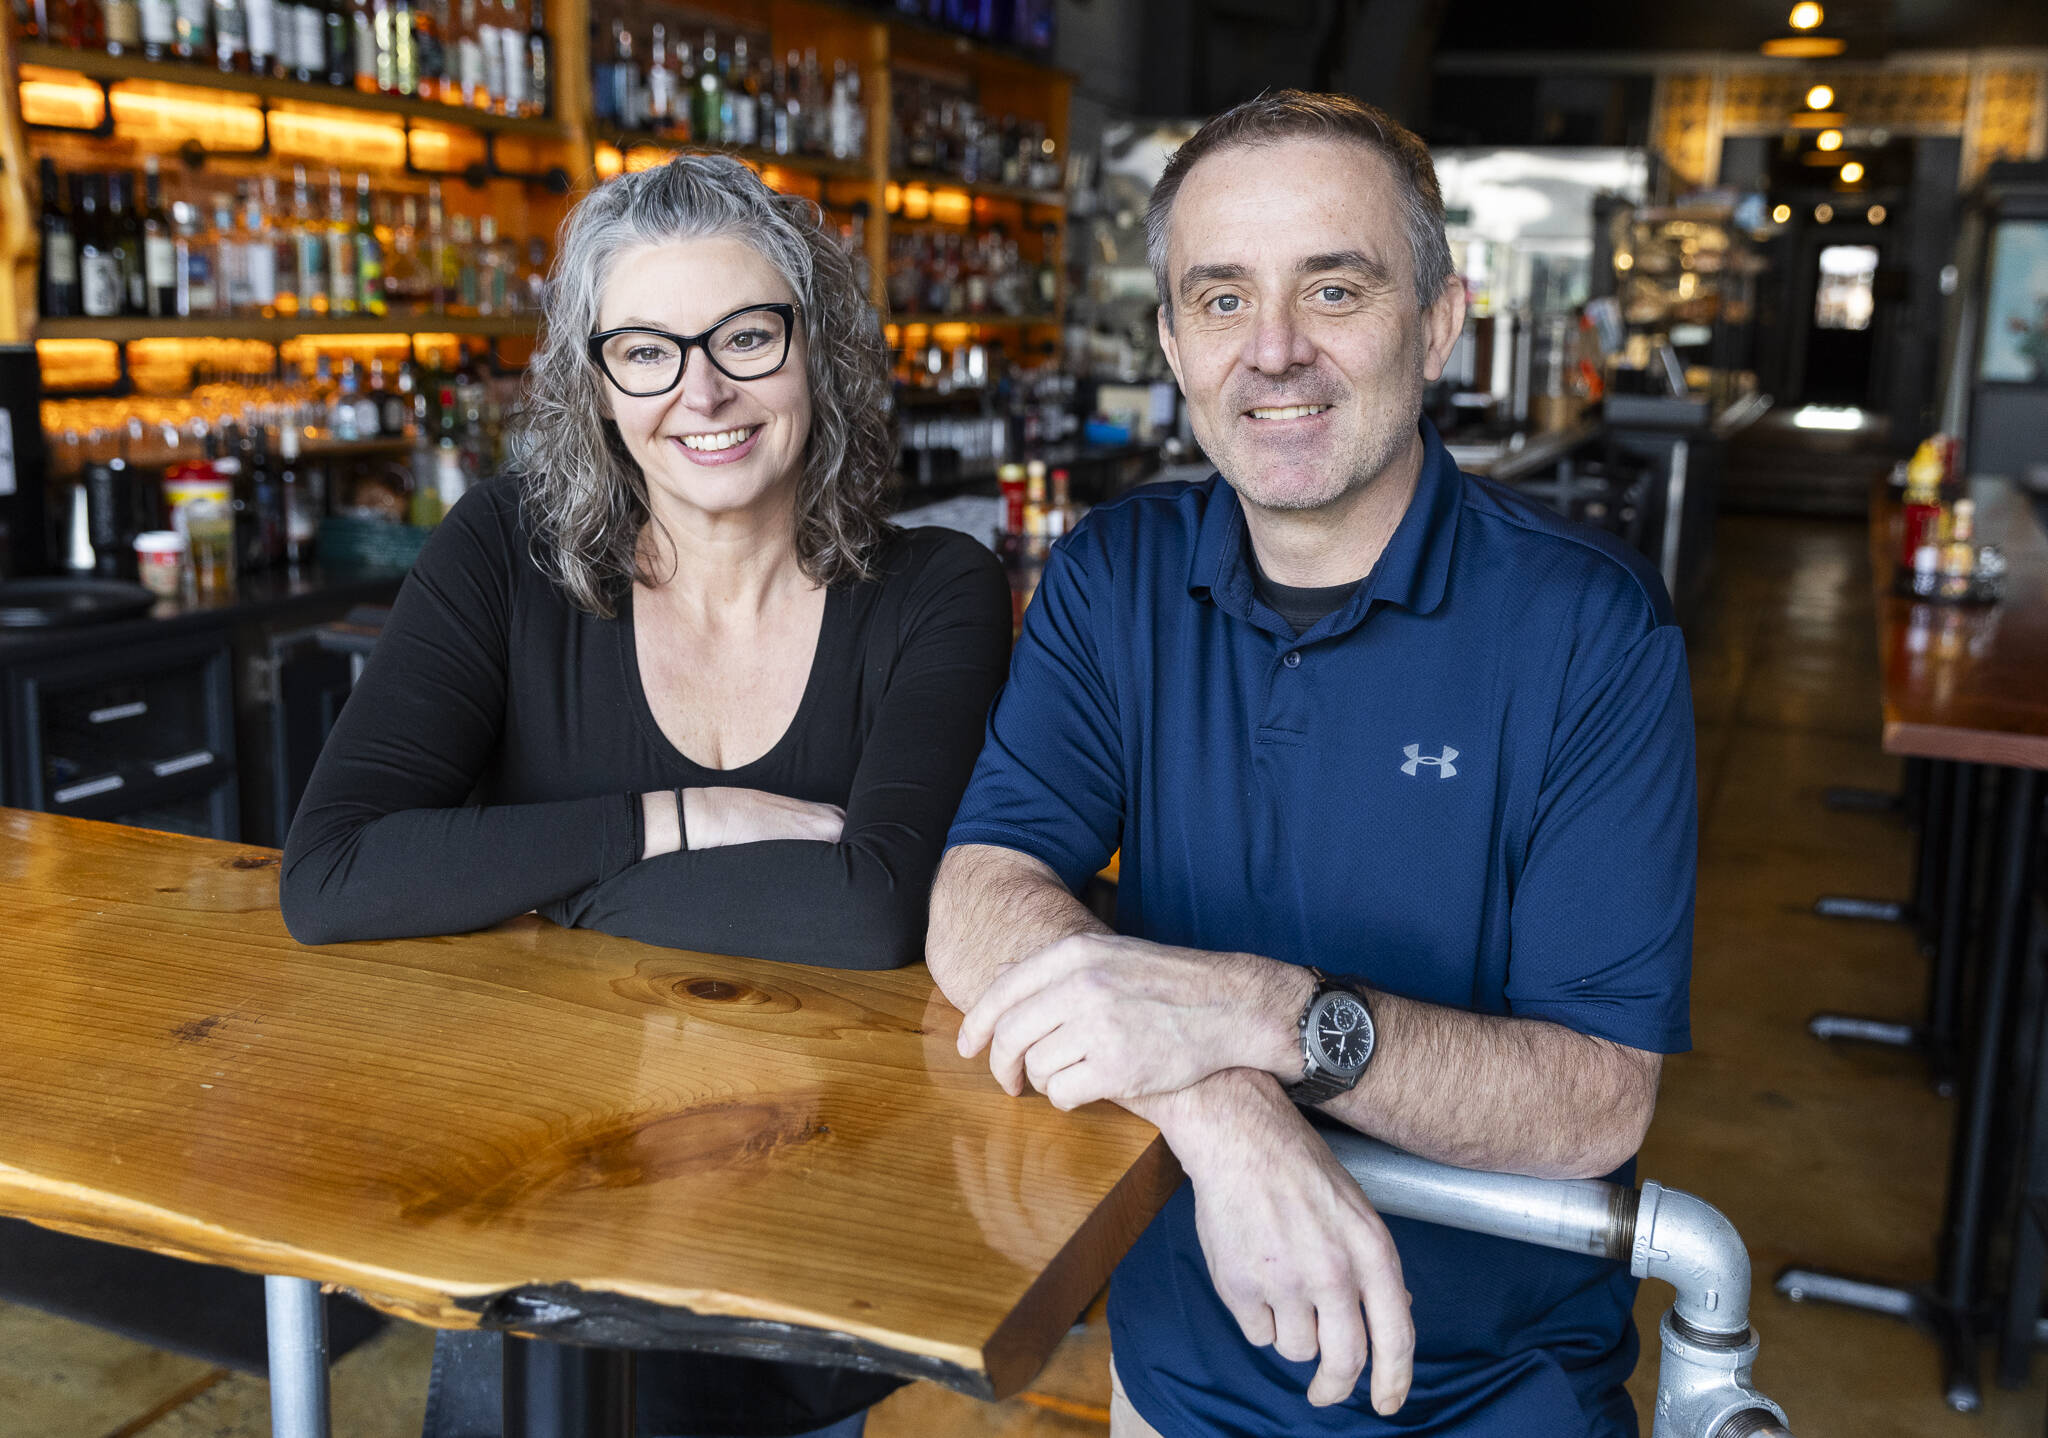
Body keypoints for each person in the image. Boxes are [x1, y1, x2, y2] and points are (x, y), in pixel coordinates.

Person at [928, 91, 1695, 1438]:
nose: (1274, 351)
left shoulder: (1589, 627)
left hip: (1489, 1400)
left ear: (1438, 321)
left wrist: (1262, 1015)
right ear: (1171, 341)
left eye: (1333, 288)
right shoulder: (1116, 574)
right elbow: (979, 888)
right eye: (1222, 301)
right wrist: (1226, 1109)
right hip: (1171, 1380)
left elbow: (1592, 1101)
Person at [281, 154, 1012, 1438]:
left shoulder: (935, 588)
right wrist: (680, 819)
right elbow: (333, 875)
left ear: (819, 348)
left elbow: (872, 912)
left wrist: (523, 883)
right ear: (593, 383)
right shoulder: (505, 553)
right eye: (645, 351)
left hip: (805, 1261)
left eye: (744, 335)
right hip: (535, 1235)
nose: (702, 391)